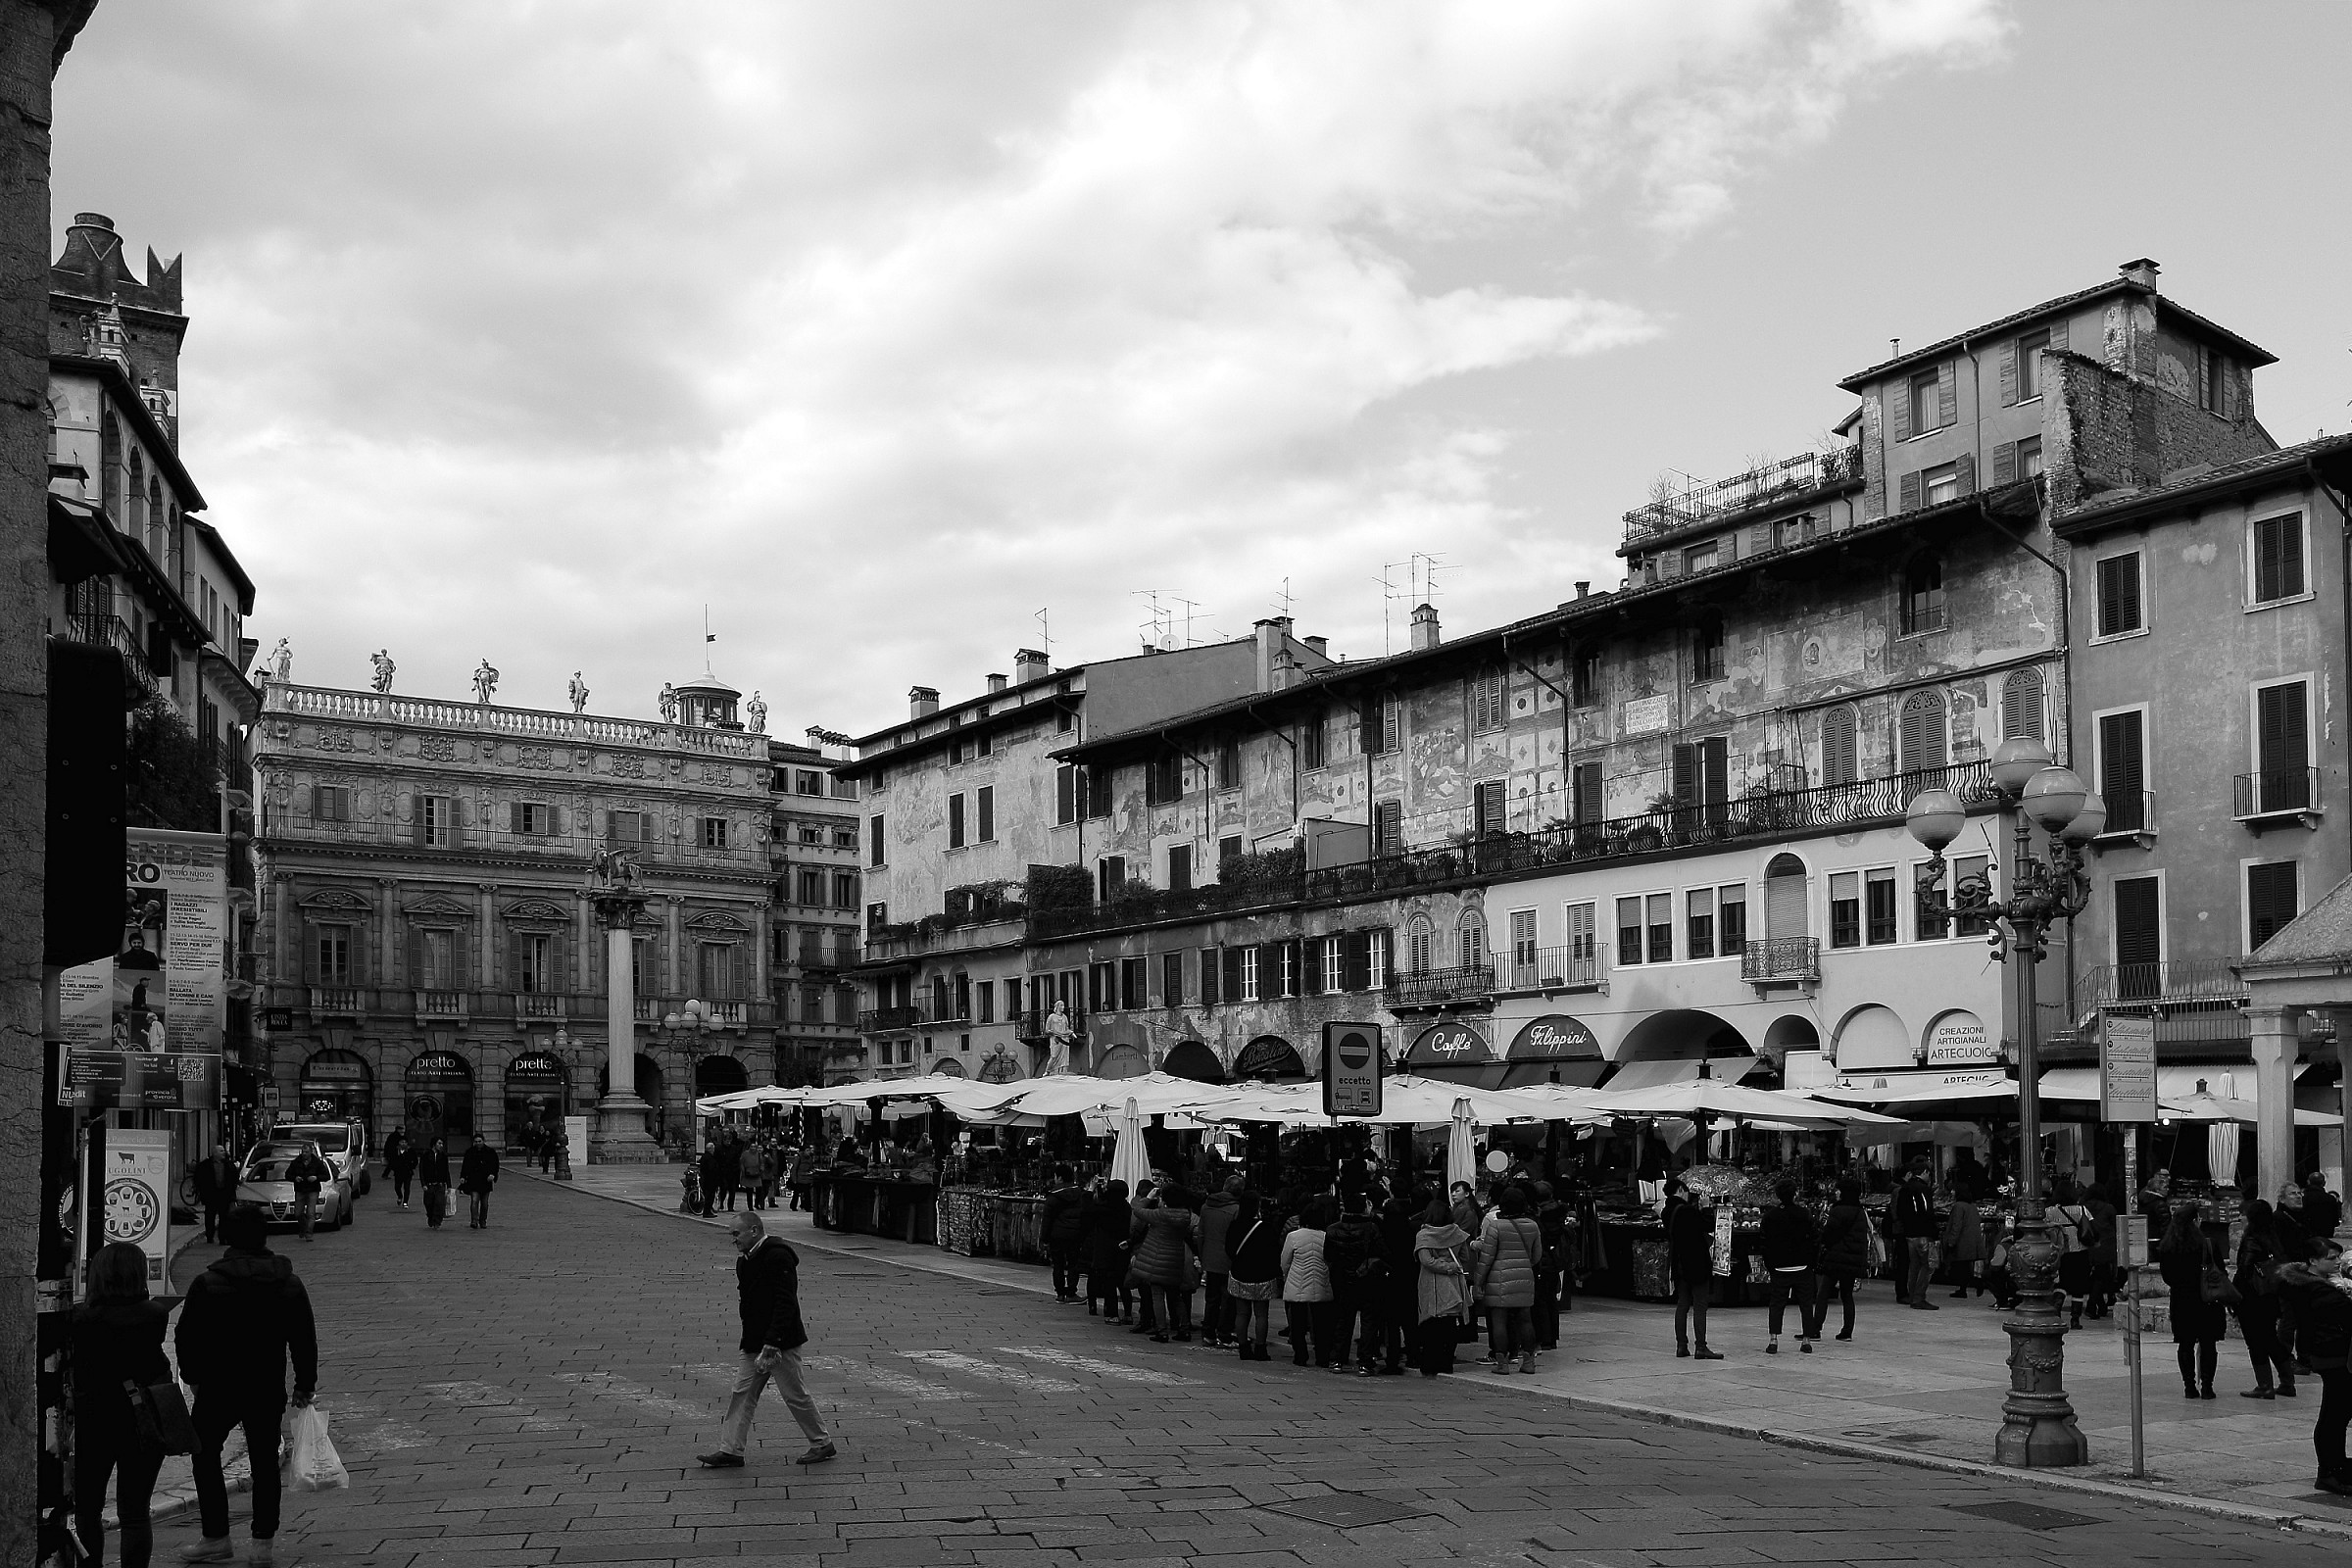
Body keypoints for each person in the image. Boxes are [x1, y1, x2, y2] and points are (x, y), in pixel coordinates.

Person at [175, 1205, 318, 1566]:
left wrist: (193, 1377)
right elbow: (303, 1338)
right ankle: (262, 1545)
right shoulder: (287, 1282)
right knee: (265, 1464)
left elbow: (186, 1336)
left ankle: (216, 1535)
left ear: (228, 1237)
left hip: (217, 1386)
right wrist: (304, 1383)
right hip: (266, 1385)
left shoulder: (208, 1283)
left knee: (205, 1456)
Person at [697, 1209, 836, 1468]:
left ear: (754, 1231)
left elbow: (786, 1302)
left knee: (794, 1394)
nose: (734, 1240)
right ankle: (731, 1450)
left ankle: (822, 1443)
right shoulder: (745, 1259)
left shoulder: (777, 1256)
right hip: (754, 1341)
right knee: (742, 1392)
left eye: (737, 1234)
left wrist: (773, 1341)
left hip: (780, 1341)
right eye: (732, 1235)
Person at [74, 1242, 173, 1568]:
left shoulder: (84, 1321)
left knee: (88, 1508)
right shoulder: (155, 1315)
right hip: (143, 1418)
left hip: (96, 1419)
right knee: (134, 1512)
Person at [2277, 1241, 2352, 1494]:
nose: (2337, 1263)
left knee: (2337, 1413)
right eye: (2331, 1258)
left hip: (2329, 1352)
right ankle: (2329, 1471)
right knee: (2335, 1414)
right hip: (2332, 1354)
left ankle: (2337, 1465)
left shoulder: (2309, 1283)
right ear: (2313, 1261)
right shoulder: (2316, 1290)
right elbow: (2345, 1315)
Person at [1472, 1186, 1544, 1375]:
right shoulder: (1532, 1225)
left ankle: (1502, 1363)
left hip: (1499, 1278)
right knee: (1525, 1320)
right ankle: (1528, 1362)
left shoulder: (1496, 1226)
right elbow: (1537, 1256)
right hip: (1524, 1277)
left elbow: (1487, 1258)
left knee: (1499, 1321)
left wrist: (1478, 1282)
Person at [2160, 1200, 2227, 1399]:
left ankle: (2189, 1385)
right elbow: (2220, 1271)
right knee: (2208, 1344)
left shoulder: (2167, 1246)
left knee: (2185, 1343)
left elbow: (2167, 1277)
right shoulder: (2208, 1244)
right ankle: (2207, 1386)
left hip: (2182, 1300)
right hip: (2206, 1299)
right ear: (2195, 1220)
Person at [2234, 1199, 2298, 1399]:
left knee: (2255, 1341)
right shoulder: (2273, 1237)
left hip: (2252, 1297)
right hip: (2270, 1296)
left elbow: (2245, 1269)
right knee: (2271, 1339)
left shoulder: (2251, 1239)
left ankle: (2265, 1385)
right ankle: (2287, 1381)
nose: (2240, 1218)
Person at [1323, 1190, 1385, 1373]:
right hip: (1366, 1278)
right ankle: (1365, 1361)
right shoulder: (1372, 1228)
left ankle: (1337, 1359)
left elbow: (1328, 1255)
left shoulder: (1333, 1229)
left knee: (1343, 1319)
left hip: (1341, 1278)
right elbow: (1381, 1252)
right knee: (1368, 1320)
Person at [1129, 1189, 1199, 1345]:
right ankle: (1184, 1328)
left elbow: (1138, 1210)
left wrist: (1148, 1198)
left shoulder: (1160, 1215)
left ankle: (1162, 1331)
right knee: (1176, 1296)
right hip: (1175, 1259)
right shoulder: (1186, 1216)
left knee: (1157, 1296)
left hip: (1157, 1259)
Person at [1412, 1195, 1471, 1376]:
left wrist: (1443, 1266)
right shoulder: (1457, 1232)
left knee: (1431, 1324)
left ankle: (1430, 1362)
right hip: (1453, 1282)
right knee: (1450, 1324)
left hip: (1431, 1282)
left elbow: (1426, 1261)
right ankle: (1447, 1362)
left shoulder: (1424, 1235)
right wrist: (1452, 1266)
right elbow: (1465, 1258)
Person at [1758, 1179, 1819, 1355]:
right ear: (1794, 1194)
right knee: (1806, 1304)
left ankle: (1773, 1340)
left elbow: (1764, 1242)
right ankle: (1807, 1340)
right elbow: (1815, 1239)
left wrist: (1770, 1264)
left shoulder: (1770, 1216)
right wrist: (1811, 1262)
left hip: (1779, 1267)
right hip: (1802, 1266)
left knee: (1776, 1303)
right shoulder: (1804, 1213)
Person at [1664, 1177, 1722, 1359]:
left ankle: (1681, 1345)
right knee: (1699, 1305)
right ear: (1681, 1190)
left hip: (1678, 1263)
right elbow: (1707, 1225)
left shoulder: (1667, 1211)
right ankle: (1701, 1347)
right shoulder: (1687, 1210)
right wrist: (1705, 1207)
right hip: (1696, 1263)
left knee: (1682, 1305)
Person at [1225, 1191, 1282, 1362]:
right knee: (1261, 1314)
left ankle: (1243, 1348)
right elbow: (1274, 1251)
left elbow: (1229, 1250)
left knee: (1242, 1313)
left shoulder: (1234, 1225)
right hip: (1263, 1274)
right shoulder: (1266, 1227)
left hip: (1240, 1272)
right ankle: (1260, 1349)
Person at [1279, 1198, 1335, 1367]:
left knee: (1297, 1323)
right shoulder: (1326, 1236)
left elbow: (1285, 1261)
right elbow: (1330, 1261)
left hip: (1297, 1284)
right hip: (1321, 1284)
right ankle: (1322, 1356)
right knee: (1321, 1324)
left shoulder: (1293, 1236)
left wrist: (1287, 1277)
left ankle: (1300, 1355)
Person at [1814, 1177, 1869, 1341]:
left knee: (1823, 1293)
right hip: (1852, 1260)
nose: (1836, 1192)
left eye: (1839, 1190)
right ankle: (1847, 1331)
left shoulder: (1838, 1210)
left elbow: (1829, 1234)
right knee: (1847, 1295)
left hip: (1836, 1258)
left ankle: (1815, 1329)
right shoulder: (1860, 1212)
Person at [1197, 1175, 1243, 1347]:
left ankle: (1208, 1332)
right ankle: (1223, 1333)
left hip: (1210, 1256)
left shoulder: (1206, 1206)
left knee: (1212, 1298)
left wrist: (1202, 1256)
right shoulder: (1236, 1209)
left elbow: (1201, 1234)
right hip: (1229, 1259)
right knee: (1228, 1299)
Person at [2050, 1177, 2096, 1329]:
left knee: (2062, 1282)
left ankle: (2056, 1309)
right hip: (2079, 1250)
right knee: (2079, 1286)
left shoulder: (2049, 1212)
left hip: (2059, 1251)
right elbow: (2092, 1227)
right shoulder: (2081, 1210)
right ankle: (2075, 1319)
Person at [1531, 1180, 1573, 1348]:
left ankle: (1543, 1336)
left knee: (1541, 1300)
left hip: (1544, 1260)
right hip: (1555, 1261)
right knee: (1551, 1301)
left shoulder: (1541, 1216)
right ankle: (1552, 1337)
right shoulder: (1559, 1213)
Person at [1041, 1166, 1091, 1304]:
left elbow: (1047, 1219)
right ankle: (1071, 1293)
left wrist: (1044, 1238)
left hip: (1056, 1235)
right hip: (1075, 1234)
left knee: (1058, 1264)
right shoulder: (1080, 1193)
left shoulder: (1053, 1196)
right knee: (1073, 1264)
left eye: (1055, 1176)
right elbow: (1085, 1215)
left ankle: (1060, 1293)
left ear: (1060, 1178)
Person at [1088, 1179, 1135, 1324]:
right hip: (1122, 1247)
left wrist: (1092, 1190)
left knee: (1109, 1283)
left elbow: (1088, 1211)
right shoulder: (1127, 1208)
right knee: (1123, 1283)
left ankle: (1113, 1314)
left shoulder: (1103, 1208)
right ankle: (1128, 1314)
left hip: (1106, 1249)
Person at [1895, 1157, 1938, 1310]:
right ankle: (1919, 1297)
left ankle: (1913, 1295)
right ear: (1925, 1172)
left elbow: (1899, 1211)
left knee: (1914, 1266)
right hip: (1922, 1233)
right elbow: (1927, 1212)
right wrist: (1933, 1232)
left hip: (1909, 1233)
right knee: (1928, 1265)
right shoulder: (1922, 1189)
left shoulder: (1905, 1188)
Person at [1941, 1187, 1985, 1301]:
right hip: (1973, 1240)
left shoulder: (1958, 1206)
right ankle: (1972, 1285)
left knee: (1961, 1266)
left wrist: (1951, 1241)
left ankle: (1964, 1289)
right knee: (1966, 1265)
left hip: (1962, 1240)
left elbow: (1956, 1224)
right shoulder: (1972, 1207)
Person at [284, 1143, 331, 1244]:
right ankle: (304, 1227)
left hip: (313, 1190)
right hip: (300, 1189)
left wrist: (316, 1178)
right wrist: (295, 1178)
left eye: (306, 1152)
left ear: (311, 1152)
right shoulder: (296, 1163)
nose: (304, 1154)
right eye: (303, 1152)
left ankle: (309, 1233)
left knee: (310, 1213)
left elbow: (326, 1176)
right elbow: (287, 1175)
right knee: (298, 1213)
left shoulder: (317, 1163)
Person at [191, 1146, 238, 1244]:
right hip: (211, 1195)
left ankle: (222, 1238)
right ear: (215, 1153)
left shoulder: (228, 1165)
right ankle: (210, 1236)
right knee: (210, 1216)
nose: (224, 1152)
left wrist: (232, 1192)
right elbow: (198, 1179)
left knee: (224, 1217)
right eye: (221, 1151)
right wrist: (202, 1191)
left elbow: (234, 1178)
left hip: (224, 1194)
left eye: (224, 1151)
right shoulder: (205, 1165)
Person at [459, 1137, 501, 1230]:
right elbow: (465, 1165)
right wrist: (463, 1176)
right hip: (473, 1180)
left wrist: (493, 1175)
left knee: (485, 1203)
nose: (478, 1143)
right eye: (476, 1141)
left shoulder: (490, 1152)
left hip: (486, 1180)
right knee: (474, 1200)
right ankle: (474, 1220)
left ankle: (483, 1220)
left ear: (483, 1141)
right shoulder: (470, 1152)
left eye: (479, 1141)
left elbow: (495, 1165)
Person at [418, 1137, 454, 1230]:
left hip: (440, 1184)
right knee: (428, 1202)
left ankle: (437, 1221)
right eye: (439, 1143)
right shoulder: (426, 1155)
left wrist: (449, 1185)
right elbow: (421, 1170)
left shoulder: (443, 1156)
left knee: (440, 1203)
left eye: (442, 1144)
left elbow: (446, 1171)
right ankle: (430, 1216)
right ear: (434, 1144)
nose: (441, 1145)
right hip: (429, 1183)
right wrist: (423, 1184)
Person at [383, 1129, 417, 1210]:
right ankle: (400, 1196)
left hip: (408, 1172)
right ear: (399, 1143)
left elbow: (415, 1160)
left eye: (405, 1142)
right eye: (402, 1142)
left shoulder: (410, 1151)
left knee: (407, 1187)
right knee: (397, 1187)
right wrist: (394, 1168)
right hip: (398, 1172)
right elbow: (392, 1161)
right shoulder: (395, 1151)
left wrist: (412, 1166)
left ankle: (405, 1202)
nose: (404, 1144)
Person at [2305, 1173, 2344, 1245]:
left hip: (2307, 1233)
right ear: (2324, 1183)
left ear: (2308, 1182)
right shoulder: (2330, 1199)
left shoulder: (2303, 1198)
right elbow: (2335, 1219)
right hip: (2326, 1235)